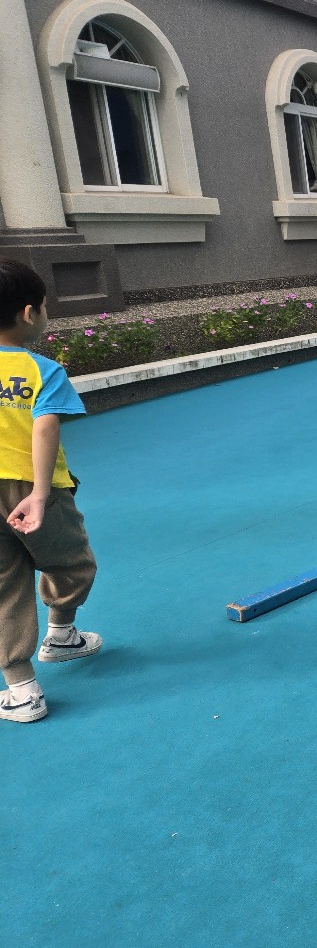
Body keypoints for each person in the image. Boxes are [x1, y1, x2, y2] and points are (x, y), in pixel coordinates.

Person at [0, 259, 100, 723]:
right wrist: (40, 493)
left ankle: (21, 689)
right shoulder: (43, 370)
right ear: (29, 313)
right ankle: (60, 634)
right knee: (72, 563)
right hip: (35, 489)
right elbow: (44, 427)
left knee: (4, 586)